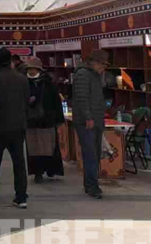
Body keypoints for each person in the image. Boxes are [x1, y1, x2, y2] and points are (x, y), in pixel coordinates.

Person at [0, 47, 30, 208]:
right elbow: (26, 102)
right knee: (19, 163)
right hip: (17, 127)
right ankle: (21, 196)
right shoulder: (22, 79)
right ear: (10, 61)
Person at [72, 50, 110, 199]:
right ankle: (91, 186)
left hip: (96, 120)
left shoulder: (94, 75)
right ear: (94, 62)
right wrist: (88, 117)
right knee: (90, 154)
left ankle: (91, 184)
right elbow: (82, 98)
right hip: (86, 122)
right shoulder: (82, 74)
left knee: (94, 154)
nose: (103, 68)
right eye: (102, 65)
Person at [23, 57, 65, 183]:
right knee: (34, 148)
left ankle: (50, 169)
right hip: (31, 121)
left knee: (48, 146)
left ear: (38, 69)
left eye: (33, 68)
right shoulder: (23, 82)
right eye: (29, 68)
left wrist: (59, 119)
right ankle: (38, 172)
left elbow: (56, 101)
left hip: (47, 120)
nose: (31, 71)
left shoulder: (48, 82)